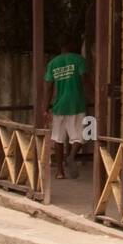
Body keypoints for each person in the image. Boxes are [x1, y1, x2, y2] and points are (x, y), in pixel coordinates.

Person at [44, 33, 88, 180]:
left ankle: (59, 172)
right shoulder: (79, 60)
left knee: (58, 139)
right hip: (77, 104)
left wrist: (45, 108)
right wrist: (95, 94)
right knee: (81, 136)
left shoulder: (52, 63)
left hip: (59, 106)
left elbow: (49, 87)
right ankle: (71, 156)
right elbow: (84, 80)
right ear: (69, 44)